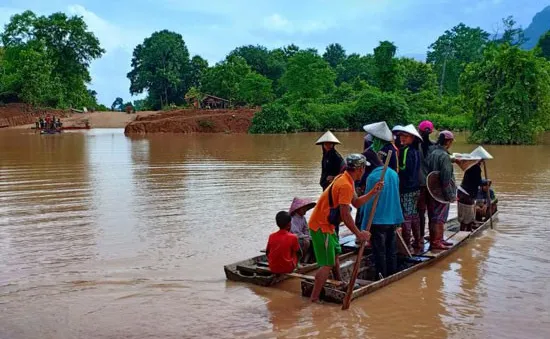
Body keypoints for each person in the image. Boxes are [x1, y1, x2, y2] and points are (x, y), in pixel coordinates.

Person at [308, 154, 383, 302]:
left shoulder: (346, 179)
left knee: (335, 254)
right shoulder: (345, 185)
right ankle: (314, 299)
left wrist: (373, 192)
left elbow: (355, 203)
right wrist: (358, 234)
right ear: (360, 169)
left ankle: (339, 282)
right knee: (327, 264)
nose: (364, 171)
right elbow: (345, 215)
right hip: (321, 227)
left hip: (328, 225)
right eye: (364, 169)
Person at [360, 150, 404, 279]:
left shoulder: (373, 177)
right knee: (391, 250)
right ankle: (392, 273)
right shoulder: (393, 174)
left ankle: (381, 276)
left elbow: (368, 203)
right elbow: (396, 197)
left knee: (379, 252)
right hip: (392, 218)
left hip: (377, 220)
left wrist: (364, 227)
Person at [425, 130, 457, 250]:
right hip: (441, 192)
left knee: (433, 215)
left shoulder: (432, 152)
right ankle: (436, 241)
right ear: (448, 142)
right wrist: (450, 196)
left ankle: (438, 238)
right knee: (439, 217)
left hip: (432, 189)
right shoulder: (444, 156)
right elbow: (446, 179)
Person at [394, 124, 423, 251]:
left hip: (406, 188)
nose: (402, 138)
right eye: (401, 136)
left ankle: (406, 244)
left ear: (412, 138)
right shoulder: (416, 151)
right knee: (414, 214)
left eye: (405, 136)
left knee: (406, 215)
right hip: (415, 187)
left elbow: (404, 169)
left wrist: (395, 170)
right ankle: (418, 240)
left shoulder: (406, 151)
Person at [417, 120, 434, 241]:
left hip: (420, 184)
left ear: (419, 131)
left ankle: (421, 237)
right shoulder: (434, 147)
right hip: (432, 185)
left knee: (420, 212)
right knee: (433, 212)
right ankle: (434, 236)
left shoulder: (415, 146)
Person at [457, 161, 483, 231]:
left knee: (464, 214)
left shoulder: (469, 166)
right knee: (468, 215)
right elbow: (478, 181)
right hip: (466, 193)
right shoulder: (476, 168)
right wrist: (485, 181)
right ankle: (465, 231)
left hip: (461, 191)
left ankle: (466, 229)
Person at [289, 197, 316, 263]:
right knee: (306, 242)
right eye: (304, 208)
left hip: (301, 237)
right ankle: (301, 260)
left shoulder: (302, 218)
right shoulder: (292, 219)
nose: (305, 210)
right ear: (298, 209)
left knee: (314, 239)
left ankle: (309, 259)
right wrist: (307, 237)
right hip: (294, 239)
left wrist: (309, 236)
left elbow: (306, 229)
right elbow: (296, 233)